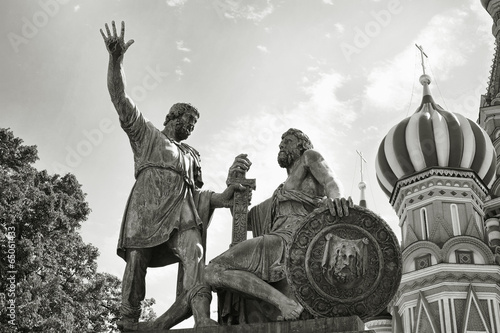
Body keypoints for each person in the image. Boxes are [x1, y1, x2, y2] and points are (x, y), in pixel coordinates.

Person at [100, 21, 247, 331]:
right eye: (188, 118)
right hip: (146, 207)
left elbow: (200, 196)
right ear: (172, 117)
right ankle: (128, 318)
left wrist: (226, 195)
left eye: (194, 122)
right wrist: (116, 60)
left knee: (194, 252)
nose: (191, 125)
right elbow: (120, 99)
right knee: (137, 261)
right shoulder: (147, 134)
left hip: (181, 212)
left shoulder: (192, 155)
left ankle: (202, 318)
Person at [205, 128, 353, 321]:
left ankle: (284, 303)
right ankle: (283, 302)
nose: (281, 145)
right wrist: (234, 185)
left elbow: (331, 180)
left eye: (288, 141)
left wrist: (336, 198)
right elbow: (246, 221)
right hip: (276, 242)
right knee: (211, 272)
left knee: (212, 271)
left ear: (301, 146)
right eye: (280, 143)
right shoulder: (280, 193)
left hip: (291, 241)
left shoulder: (309, 157)